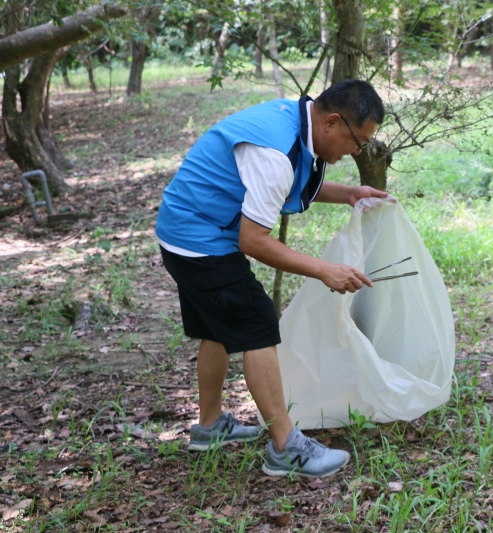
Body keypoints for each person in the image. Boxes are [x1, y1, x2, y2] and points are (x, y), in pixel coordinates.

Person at [154, 79, 387, 478]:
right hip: (199, 237)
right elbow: (254, 241)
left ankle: (209, 427)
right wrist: (324, 270)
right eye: (357, 140)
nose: (356, 151)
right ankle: (286, 448)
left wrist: (349, 193)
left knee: (217, 327)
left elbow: (289, 183)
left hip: (185, 226)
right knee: (257, 323)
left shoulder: (294, 120)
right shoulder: (275, 152)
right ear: (332, 122)